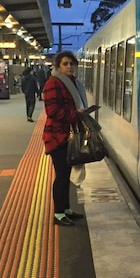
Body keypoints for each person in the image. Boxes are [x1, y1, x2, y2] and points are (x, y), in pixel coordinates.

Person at [42, 51, 89, 226]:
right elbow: (52, 111)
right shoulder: (53, 83)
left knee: (66, 173)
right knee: (61, 175)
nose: (69, 66)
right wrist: (75, 114)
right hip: (57, 136)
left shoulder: (74, 83)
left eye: (71, 63)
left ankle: (66, 208)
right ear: (58, 66)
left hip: (69, 135)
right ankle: (58, 213)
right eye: (65, 64)